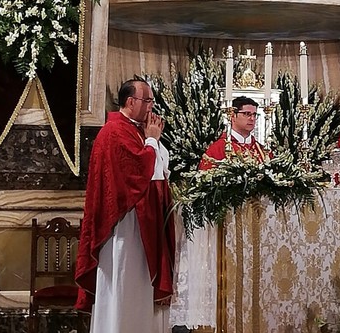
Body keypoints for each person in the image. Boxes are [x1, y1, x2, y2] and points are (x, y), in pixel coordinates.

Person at [75, 78, 176, 333]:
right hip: (122, 227)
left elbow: (159, 170)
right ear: (131, 102)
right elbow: (139, 172)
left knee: (137, 288)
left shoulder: (134, 129)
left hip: (138, 225)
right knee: (122, 286)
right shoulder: (115, 131)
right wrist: (152, 140)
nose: (152, 106)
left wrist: (153, 140)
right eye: (148, 101)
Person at [200, 95, 268, 167]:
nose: (252, 118)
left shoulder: (263, 150)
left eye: (254, 115)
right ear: (232, 116)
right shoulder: (218, 149)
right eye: (247, 114)